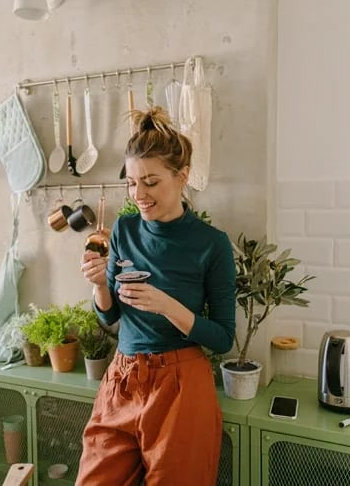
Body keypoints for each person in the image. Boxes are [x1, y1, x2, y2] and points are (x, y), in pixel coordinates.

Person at [76, 106, 236, 486]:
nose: (139, 195)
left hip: (180, 386)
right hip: (123, 379)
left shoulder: (211, 244)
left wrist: (167, 306)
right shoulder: (125, 230)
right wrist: (100, 286)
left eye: (150, 182)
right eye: (131, 183)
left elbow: (223, 338)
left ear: (182, 178)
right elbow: (110, 318)